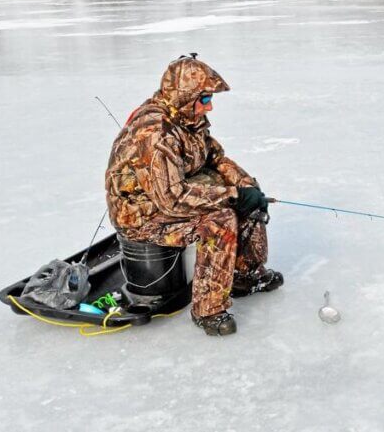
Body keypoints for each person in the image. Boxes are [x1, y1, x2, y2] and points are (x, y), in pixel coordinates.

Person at [105, 55, 283, 336]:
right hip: (141, 215)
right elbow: (172, 199)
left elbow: (216, 158)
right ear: (186, 95)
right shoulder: (155, 133)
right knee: (219, 220)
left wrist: (246, 185)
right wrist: (233, 196)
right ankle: (209, 311)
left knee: (245, 198)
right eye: (204, 99)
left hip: (169, 199)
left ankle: (244, 276)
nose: (209, 106)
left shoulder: (187, 118)